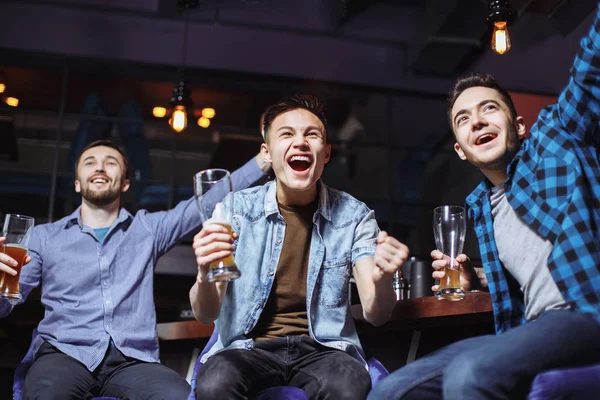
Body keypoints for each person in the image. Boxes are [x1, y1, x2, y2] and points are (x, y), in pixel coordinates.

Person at [369, 5, 600, 400]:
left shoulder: (554, 141)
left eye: (489, 108)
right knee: (393, 390)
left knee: (469, 375)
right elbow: (525, 274)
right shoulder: (479, 206)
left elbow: (590, 69)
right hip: (531, 327)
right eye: (463, 119)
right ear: (461, 150)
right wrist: (474, 278)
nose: (476, 121)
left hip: (586, 310)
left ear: (519, 126)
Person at [0, 139, 270, 399]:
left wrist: (263, 160)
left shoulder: (148, 229)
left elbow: (208, 201)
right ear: (77, 183)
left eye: (111, 162)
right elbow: (7, 302)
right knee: (46, 394)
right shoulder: (43, 237)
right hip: (63, 353)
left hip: (133, 361)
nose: (100, 167)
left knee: (179, 396)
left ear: (126, 183)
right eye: (90, 163)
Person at [190, 95, 410, 400]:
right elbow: (205, 312)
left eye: (312, 134)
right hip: (248, 347)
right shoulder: (235, 210)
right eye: (287, 134)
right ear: (267, 153)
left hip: (323, 350)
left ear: (327, 153)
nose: (301, 142)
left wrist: (383, 276)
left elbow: (377, 313)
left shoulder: (353, 215)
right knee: (214, 383)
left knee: (348, 386)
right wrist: (204, 273)